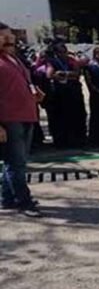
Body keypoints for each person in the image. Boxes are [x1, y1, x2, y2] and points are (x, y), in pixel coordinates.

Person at [0, 22, 45, 217]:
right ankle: (24, 202)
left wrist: (34, 92)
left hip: (27, 115)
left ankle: (7, 198)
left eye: (10, 36)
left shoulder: (14, 59)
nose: (9, 39)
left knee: (15, 162)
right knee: (15, 163)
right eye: (4, 37)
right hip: (9, 119)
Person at [46, 40, 88, 149]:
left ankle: (78, 140)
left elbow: (77, 73)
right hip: (60, 95)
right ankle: (62, 142)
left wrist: (65, 73)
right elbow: (50, 74)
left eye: (64, 51)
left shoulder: (71, 60)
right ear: (56, 53)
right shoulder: (52, 61)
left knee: (76, 117)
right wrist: (59, 75)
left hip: (73, 93)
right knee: (60, 119)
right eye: (60, 52)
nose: (63, 54)